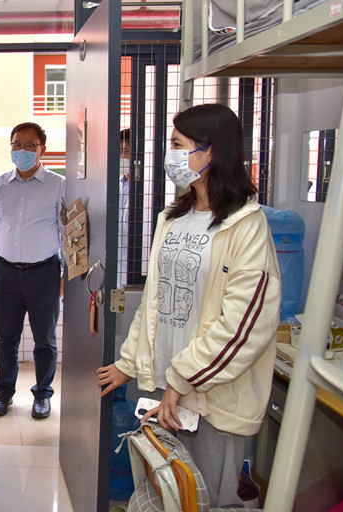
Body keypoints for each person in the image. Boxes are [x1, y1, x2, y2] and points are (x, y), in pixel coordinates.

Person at [97, 103, 281, 507]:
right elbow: (154, 302)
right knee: (164, 494)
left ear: (211, 151)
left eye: (178, 145)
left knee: (205, 500)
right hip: (162, 388)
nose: (171, 154)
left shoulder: (247, 226)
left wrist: (182, 379)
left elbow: (243, 327)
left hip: (209, 397)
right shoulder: (173, 218)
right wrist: (130, 362)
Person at [0, 122, 65, 420]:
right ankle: (4, 392)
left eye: (30, 145)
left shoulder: (58, 185)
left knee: (45, 340)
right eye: (17, 144)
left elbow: (67, 232)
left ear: (43, 150)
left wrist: (65, 275)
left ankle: (42, 394)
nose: (22, 150)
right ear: (11, 147)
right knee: (6, 339)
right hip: (5, 273)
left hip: (45, 273)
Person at [118, 128, 131, 288]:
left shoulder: (148, 190)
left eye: (125, 151)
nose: (121, 156)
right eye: (119, 152)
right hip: (116, 271)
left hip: (137, 272)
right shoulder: (118, 187)